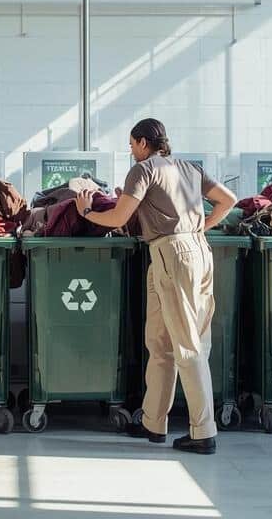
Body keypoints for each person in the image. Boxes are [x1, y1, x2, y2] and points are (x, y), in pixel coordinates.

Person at [74, 118, 237, 455]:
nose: (131, 150)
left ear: (143, 143)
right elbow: (229, 200)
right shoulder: (190, 168)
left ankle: (204, 432)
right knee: (160, 342)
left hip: (171, 255)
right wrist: (200, 228)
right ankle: (153, 421)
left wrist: (87, 210)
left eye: (132, 144)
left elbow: (118, 218)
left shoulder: (143, 169)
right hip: (195, 251)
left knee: (187, 346)